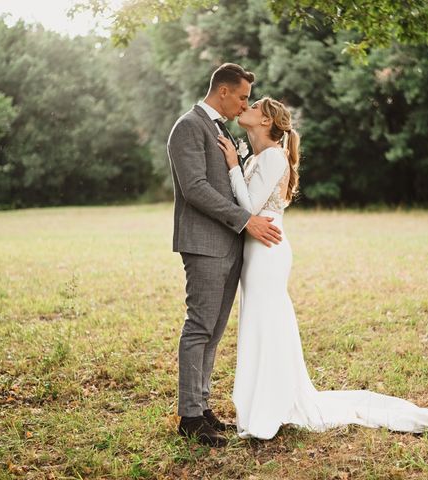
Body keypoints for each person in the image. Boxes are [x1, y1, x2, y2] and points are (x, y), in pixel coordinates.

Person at [217, 97, 428, 441]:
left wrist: (232, 165)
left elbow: (249, 205)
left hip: (268, 249)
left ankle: (269, 405)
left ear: (266, 122)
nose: (247, 106)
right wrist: (238, 163)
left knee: (266, 319)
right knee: (260, 320)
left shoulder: (273, 155)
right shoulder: (260, 156)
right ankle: (264, 399)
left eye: (255, 105)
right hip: (256, 250)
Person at [167, 63, 283, 447]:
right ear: (223, 93)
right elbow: (196, 188)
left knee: (214, 332)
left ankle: (201, 407)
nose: (245, 103)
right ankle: (188, 416)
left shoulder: (222, 129)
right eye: (243, 97)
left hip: (229, 245)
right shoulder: (188, 127)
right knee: (199, 327)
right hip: (204, 244)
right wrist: (246, 221)